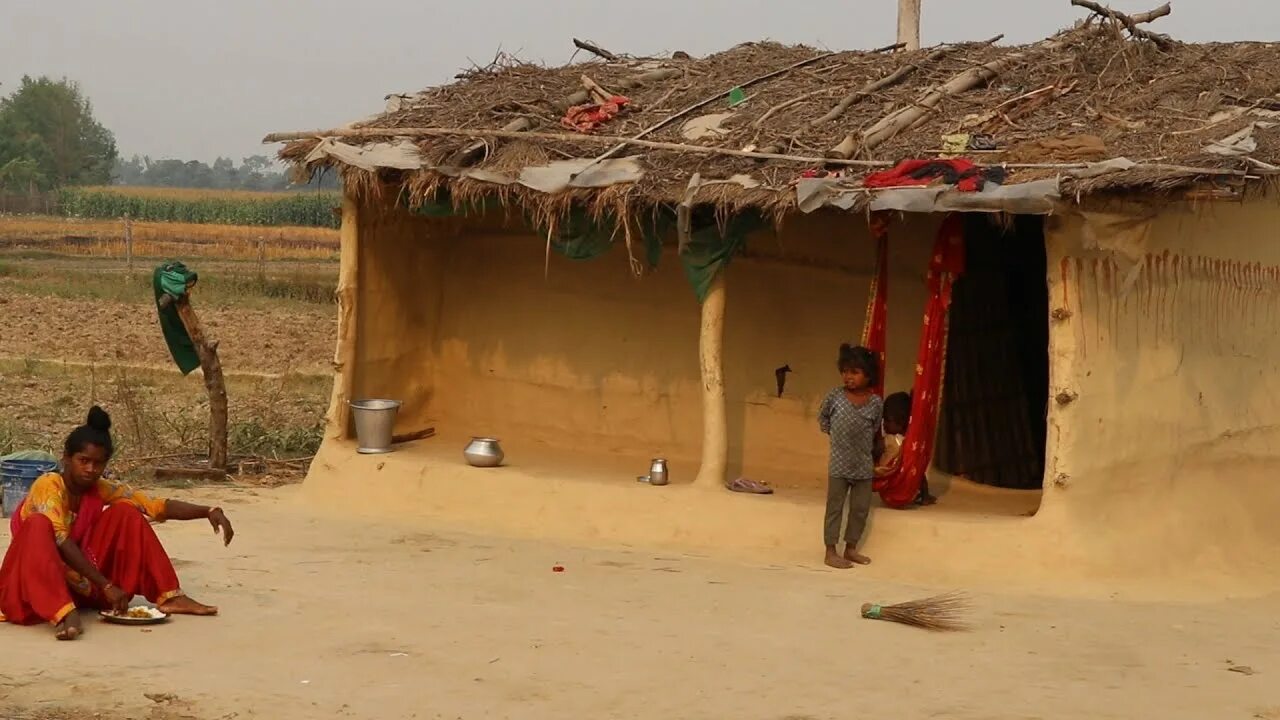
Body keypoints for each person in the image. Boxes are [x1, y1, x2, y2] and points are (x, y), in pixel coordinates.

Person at [0, 406, 234, 640]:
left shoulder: (97, 488)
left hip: (77, 581)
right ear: (66, 458)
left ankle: (170, 596)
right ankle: (62, 612)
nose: (90, 469)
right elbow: (60, 540)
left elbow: (152, 505)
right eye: (83, 461)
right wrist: (106, 585)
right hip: (32, 581)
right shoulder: (49, 485)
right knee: (39, 524)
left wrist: (208, 511)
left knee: (125, 512)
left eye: (98, 463)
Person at [817, 344, 882, 569]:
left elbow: (874, 429)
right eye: (845, 371)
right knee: (834, 507)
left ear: (868, 375)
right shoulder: (835, 396)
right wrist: (838, 439)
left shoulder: (875, 403)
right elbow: (823, 419)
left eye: (854, 372)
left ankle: (851, 548)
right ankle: (830, 551)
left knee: (860, 508)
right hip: (839, 464)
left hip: (863, 465)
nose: (848, 377)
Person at [875, 391, 936, 506]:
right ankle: (925, 496)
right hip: (896, 484)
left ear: (901, 421)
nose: (884, 425)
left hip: (894, 485)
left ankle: (924, 495)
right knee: (916, 466)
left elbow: (875, 451)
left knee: (915, 464)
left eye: (887, 421)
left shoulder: (893, 440)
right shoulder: (909, 441)